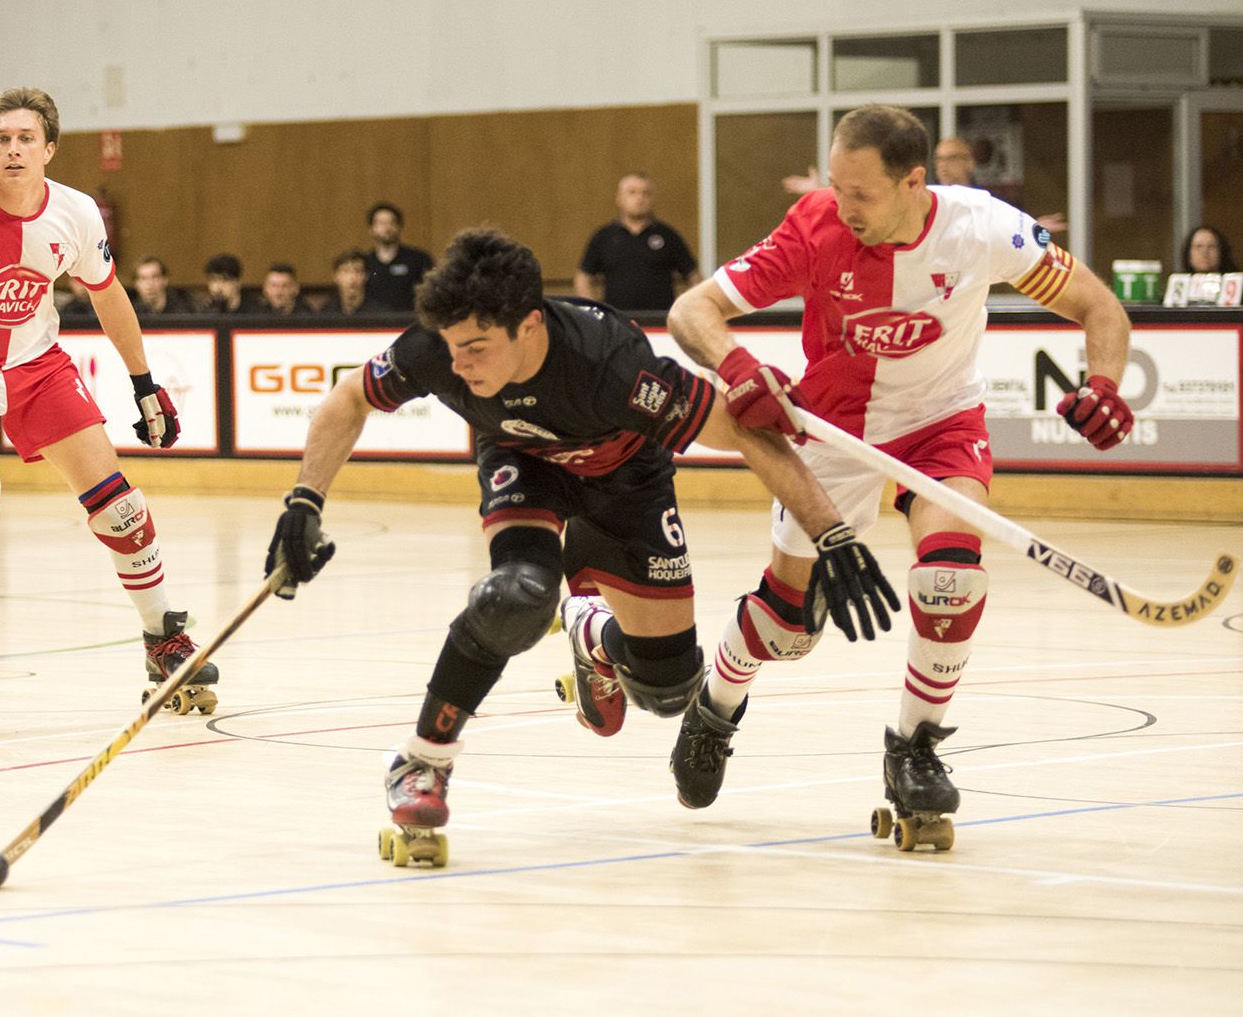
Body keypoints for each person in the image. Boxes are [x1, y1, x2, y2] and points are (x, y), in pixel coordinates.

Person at [263, 226, 897, 860]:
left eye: (477, 349)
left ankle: (590, 629)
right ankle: (423, 760)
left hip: (626, 480)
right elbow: (349, 399)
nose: (459, 367)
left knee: (668, 688)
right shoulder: (441, 346)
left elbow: (750, 435)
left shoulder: (613, 365)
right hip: (523, 461)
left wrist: (829, 531)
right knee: (516, 595)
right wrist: (303, 502)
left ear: (531, 326)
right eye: (453, 350)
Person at [665, 104, 1132, 838]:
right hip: (831, 428)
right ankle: (715, 707)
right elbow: (694, 311)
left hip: (941, 422)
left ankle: (915, 749)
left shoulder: (982, 228)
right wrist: (740, 364)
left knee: (950, 577)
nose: (842, 206)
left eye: (862, 193)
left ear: (915, 182)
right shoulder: (815, 225)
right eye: (835, 187)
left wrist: (1104, 384)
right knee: (787, 627)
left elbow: (1099, 307)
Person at [0, 86, 209, 729]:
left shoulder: (78, 214)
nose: (13, 149)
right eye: (2, 139)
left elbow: (110, 297)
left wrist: (144, 383)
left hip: (36, 365)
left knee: (123, 507)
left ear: (49, 149)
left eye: (26, 138)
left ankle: (164, 640)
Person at [788, 136, 1065, 234]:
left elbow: (1007, 229)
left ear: (969, 162)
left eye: (952, 158)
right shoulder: (923, 196)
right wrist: (821, 191)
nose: (943, 165)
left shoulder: (991, 200)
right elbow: (880, 199)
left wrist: (1033, 228)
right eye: (939, 159)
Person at [574, 173, 699, 312]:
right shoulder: (604, 237)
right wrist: (594, 312)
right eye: (632, 192)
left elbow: (693, 276)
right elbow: (583, 277)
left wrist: (685, 309)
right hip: (617, 321)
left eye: (645, 193)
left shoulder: (668, 235)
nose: (640, 198)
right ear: (619, 198)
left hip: (660, 322)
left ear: (652, 199)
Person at [362, 203, 433, 311]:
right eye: (381, 223)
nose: (387, 228)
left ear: (399, 227)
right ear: (371, 229)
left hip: (410, 321)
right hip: (374, 323)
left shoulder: (418, 259)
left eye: (391, 222)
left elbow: (431, 293)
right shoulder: (365, 262)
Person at [129, 255, 194, 314]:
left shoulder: (185, 310)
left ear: (165, 280)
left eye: (155, 277)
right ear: (136, 284)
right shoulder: (131, 313)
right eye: (143, 278)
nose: (149, 284)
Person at [328, 249, 372, 316]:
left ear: (366, 276)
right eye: (346, 271)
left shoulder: (381, 315)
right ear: (335, 276)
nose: (352, 277)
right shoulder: (325, 312)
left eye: (357, 271)